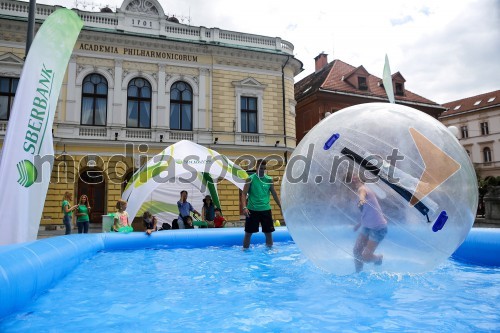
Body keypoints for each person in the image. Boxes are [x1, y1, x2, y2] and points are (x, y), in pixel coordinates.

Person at [351, 174, 388, 273]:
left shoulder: (362, 189)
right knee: (356, 251)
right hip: (367, 226)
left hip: (378, 228)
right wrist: (359, 224)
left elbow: (362, 195)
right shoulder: (365, 189)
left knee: (366, 257)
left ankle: (378, 258)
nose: (354, 179)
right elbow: (368, 211)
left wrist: (362, 199)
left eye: (356, 178)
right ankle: (358, 274)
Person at [241, 159, 282, 248]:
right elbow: (244, 193)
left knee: (268, 234)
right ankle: (245, 253)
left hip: (266, 210)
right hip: (252, 210)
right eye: (260, 168)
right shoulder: (250, 179)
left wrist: (281, 207)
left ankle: (269, 253)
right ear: (256, 168)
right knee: (248, 233)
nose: (262, 170)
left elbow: (274, 194)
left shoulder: (269, 180)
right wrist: (244, 207)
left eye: (263, 168)